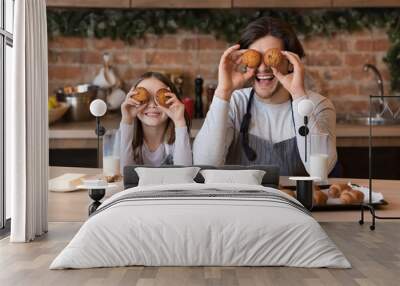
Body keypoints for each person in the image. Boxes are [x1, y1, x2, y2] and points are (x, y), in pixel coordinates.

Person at [193, 16, 337, 176]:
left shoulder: (318, 105)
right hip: (240, 200)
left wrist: (299, 96)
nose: (262, 68)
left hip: (293, 201)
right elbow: (204, 166)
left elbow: (322, 170)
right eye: (256, 58)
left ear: (290, 62)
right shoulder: (234, 103)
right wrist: (223, 92)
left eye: (270, 58)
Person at [119, 71, 192, 173]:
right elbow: (123, 175)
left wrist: (179, 121)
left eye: (158, 98)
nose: (152, 105)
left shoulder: (178, 141)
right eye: (145, 99)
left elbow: (185, 174)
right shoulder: (127, 140)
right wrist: (127, 120)